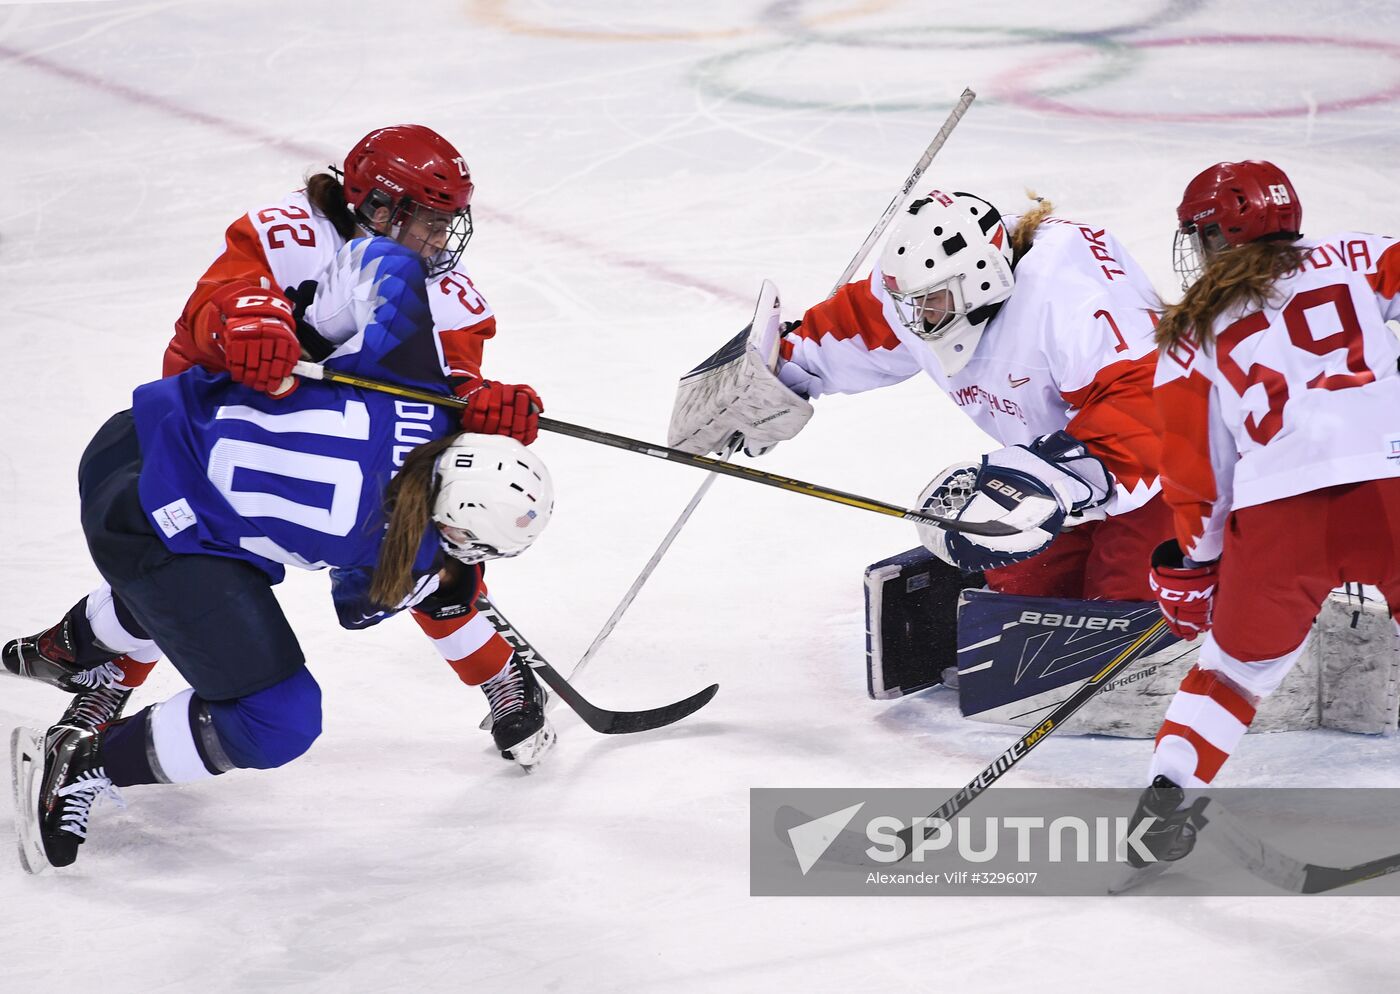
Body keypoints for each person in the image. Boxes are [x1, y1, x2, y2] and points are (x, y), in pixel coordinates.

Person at [9, 245, 556, 872]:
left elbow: (386, 261)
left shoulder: (417, 383)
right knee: (278, 720)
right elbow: (359, 609)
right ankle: (84, 763)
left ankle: (73, 648)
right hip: (144, 526)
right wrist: (450, 577)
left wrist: (458, 391)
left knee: (222, 569)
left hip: (133, 432)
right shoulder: (396, 563)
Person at [5, 126, 540, 735]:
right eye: (428, 221)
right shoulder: (288, 233)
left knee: (421, 532)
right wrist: (245, 324)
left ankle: (496, 671)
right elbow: (206, 315)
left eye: (449, 222)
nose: (441, 240)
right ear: (380, 207)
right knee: (199, 554)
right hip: (234, 414)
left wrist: (479, 405)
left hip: (345, 429)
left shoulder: (445, 286)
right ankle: (106, 673)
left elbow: (447, 379)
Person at [669, 189, 1171, 690]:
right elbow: (859, 325)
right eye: (909, 302)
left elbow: (1151, 408)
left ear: (982, 281)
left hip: (1170, 471)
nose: (916, 317)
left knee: (1120, 626)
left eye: (930, 303)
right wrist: (777, 376)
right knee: (1024, 612)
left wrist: (1049, 482)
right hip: (1064, 462)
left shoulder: (1074, 299)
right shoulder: (927, 288)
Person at [1127, 159, 1400, 867]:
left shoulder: (1192, 330)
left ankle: (1164, 802)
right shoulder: (1358, 254)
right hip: (1392, 484)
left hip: (1282, 516)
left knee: (1233, 673)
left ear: (1220, 233)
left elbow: (1198, 472)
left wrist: (1199, 566)